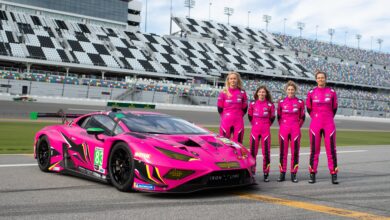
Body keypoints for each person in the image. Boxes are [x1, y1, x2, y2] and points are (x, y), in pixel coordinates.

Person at [306, 70, 339, 184]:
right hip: (315, 124)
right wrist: (316, 117)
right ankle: (312, 173)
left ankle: (334, 174)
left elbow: (334, 108)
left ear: (325, 79)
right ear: (316, 79)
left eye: (322, 77)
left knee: (331, 150)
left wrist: (327, 116)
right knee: (314, 150)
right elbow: (309, 109)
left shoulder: (332, 92)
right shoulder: (311, 92)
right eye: (319, 78)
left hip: (329, 123)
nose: (320, 79)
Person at [277, 81, 305, 183]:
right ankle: (282, 173)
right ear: (286, 90)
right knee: (282, 152)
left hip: (295, 129)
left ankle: (294, 173)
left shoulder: (300, 102)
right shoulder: (281, 102)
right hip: (284, 128)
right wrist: (284, 125)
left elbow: (302, 117)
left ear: (295, 90)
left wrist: (297, 126)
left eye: (292, 89)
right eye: (289, 89)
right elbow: (278, 117)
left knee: (295, 152)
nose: (290, 91)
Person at [248, 85, 275, 182]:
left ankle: (266, 173)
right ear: (257, 93)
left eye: (263, 92)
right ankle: (252, 171)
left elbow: (272, 118)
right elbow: (250, 116)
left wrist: (265, 125)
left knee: (266, 153)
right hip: (254, 131)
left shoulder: (270, 105)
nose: (261, 93)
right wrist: (256, 124)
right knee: (252, 153)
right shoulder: (252, 104)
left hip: (265, 131)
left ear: (266, 94)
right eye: (260, 92)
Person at [217, 72, 248, 143]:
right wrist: (226, 116)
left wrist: (238, 115)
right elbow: (220, 109)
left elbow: (245, 108)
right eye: (231, 79)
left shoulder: (242, 92)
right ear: (228, 80)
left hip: (238, 121)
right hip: (226, 121)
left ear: (238, 80)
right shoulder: (223, 92)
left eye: (234, 78)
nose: (233, 80)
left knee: (238, 144)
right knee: (224, 144)